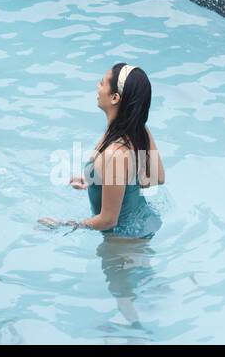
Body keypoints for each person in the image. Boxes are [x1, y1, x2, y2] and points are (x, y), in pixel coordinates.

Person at [40, 63, 164, 238]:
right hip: (142, 224)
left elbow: (108, 221)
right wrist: (96, 181)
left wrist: (61, 225)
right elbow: (155, 177)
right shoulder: (134, 130)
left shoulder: (115, 154)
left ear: (114, 97)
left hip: (125, 246)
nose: (97, 87)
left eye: (102, 83)